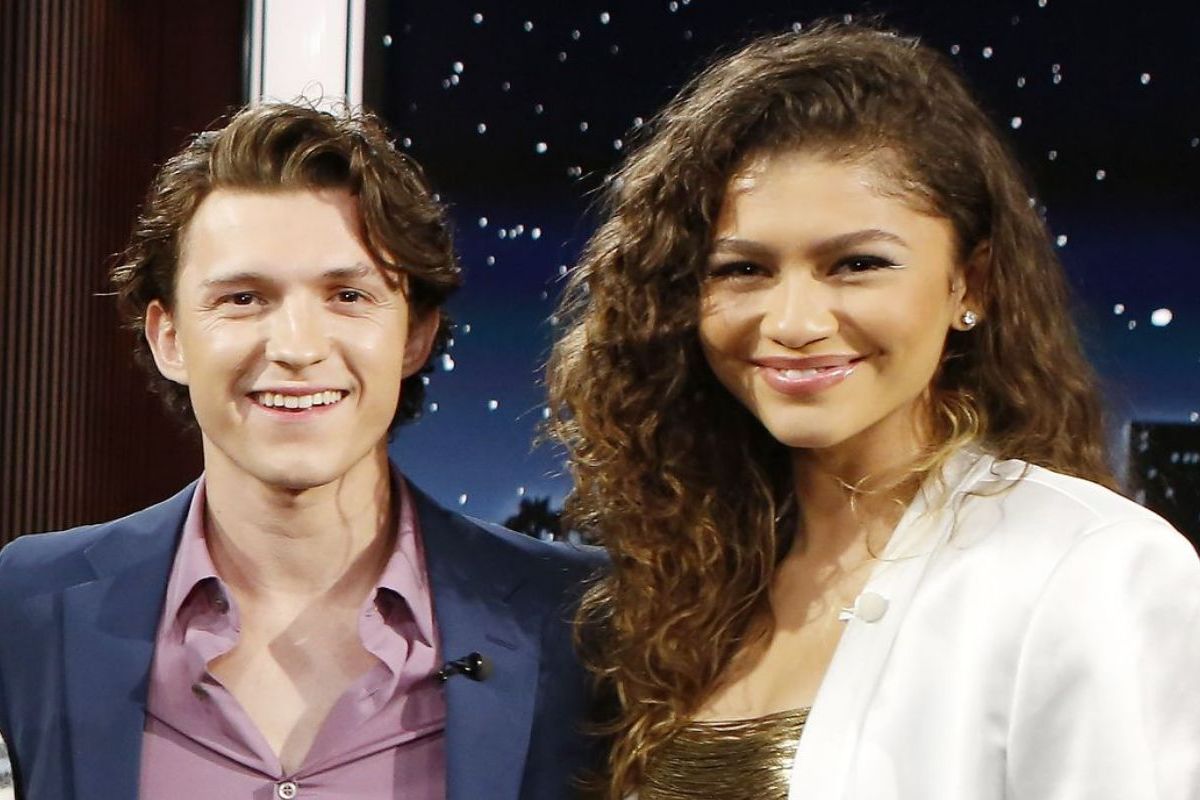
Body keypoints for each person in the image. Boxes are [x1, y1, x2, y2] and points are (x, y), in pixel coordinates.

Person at [546, 20, 1200, 800]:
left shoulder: (1087, 567)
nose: (794, 322)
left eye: (857, 264)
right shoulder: (683, 584)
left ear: (971, 284)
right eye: (743, 270)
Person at [0, 102, 604, 799]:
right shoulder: (32, 605)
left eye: (347, 295)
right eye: (243, 298)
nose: (296, 347)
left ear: (416, 334)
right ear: (169, 338)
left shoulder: (577, 620)